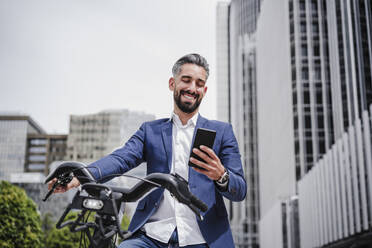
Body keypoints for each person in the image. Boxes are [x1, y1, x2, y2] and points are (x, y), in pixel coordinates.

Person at [49, 53, 247, 248]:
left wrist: (222, 176)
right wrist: (80, 177)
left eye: (199, 83)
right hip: (151, 237)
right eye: (186, 80)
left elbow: (240, 190)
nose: (192, 88)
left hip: (203, 239)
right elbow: (121, 158)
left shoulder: (222, 132)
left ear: (204, 90)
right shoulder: (150, 131)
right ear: (172, 83)